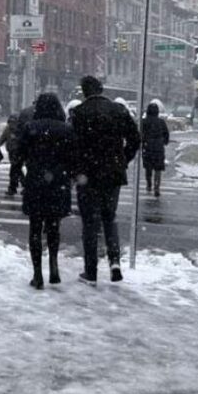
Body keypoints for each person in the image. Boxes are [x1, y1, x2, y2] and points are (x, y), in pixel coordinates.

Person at [70, 75, 140, 285]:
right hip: (113, 174)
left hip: (88, 175)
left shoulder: (80, 113)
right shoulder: (119, 110)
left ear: (84, 92)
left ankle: (90, 271)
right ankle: (115, 262)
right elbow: (135, 138)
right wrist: (123, 158)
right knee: (110, 218)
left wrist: (76, 169)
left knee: (90, 222)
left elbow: (72, 145)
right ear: (101, 90)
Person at [14, 93, 76, 290]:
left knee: (35, 228)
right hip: (58, 184)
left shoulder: (30, 128)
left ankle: (37, 273)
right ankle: (54, 264)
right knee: (53, 226)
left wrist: (21, 177)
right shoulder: (66, 129)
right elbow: (73, 157)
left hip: (36, 183)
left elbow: (18, 156)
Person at [0, 105, 33, 196]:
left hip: (19, 152)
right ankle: (22, 186)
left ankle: (14, 187)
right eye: (10, 122)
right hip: (12, 152)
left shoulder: (21, 129)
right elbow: (2, 139)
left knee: (15, 170)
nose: (12, 124)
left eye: (13, 122)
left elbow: (24, 141)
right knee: (17, 170)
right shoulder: (8, 129)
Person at [141, 102, 170, 197]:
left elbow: (140, 134)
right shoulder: (161, 122)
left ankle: (149, 184)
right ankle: (156, 187)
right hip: (158, 148)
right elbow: (166, 134)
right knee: (158, 169)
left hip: (147, 147)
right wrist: (164, 142)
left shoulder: (144, 122)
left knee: (148, 168)